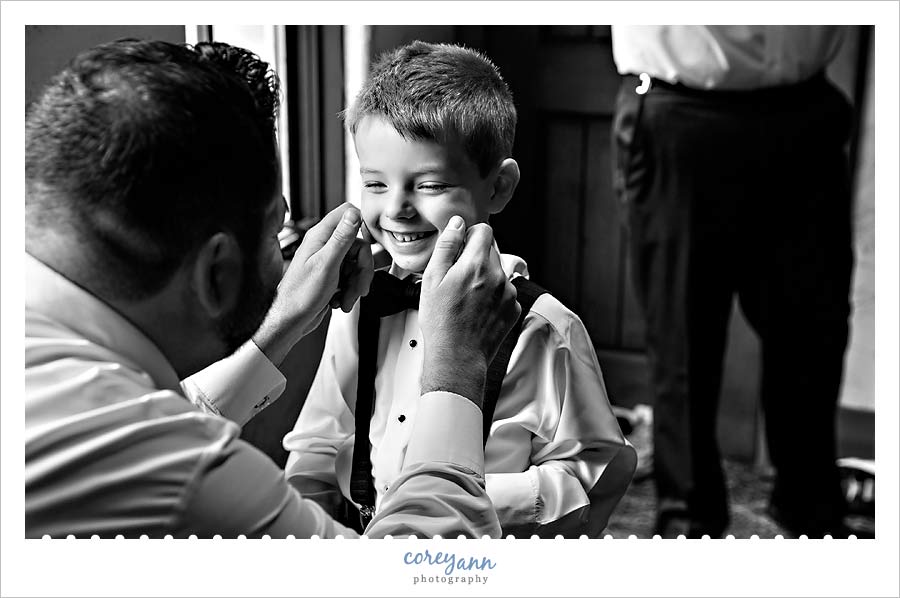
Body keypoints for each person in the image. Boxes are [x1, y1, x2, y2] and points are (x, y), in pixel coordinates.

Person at [25, 39, 522, 539]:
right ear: (218, 272)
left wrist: (280, 323)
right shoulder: (177, 473)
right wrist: (455, 375)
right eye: (275, 232)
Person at [283, 41, 636, 538]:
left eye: (427, 185)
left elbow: (594, 474)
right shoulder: (359, 307)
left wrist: (470, 499)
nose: (398, 209)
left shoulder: (545, 328)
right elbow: (318, 442)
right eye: (376, 184)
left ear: (498, 187)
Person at [611, 26, 854, 538]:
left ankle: (817, 533)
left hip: (806, 110)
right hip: (678, 111)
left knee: (813, 340)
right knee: (682, 350)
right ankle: (689, 535)